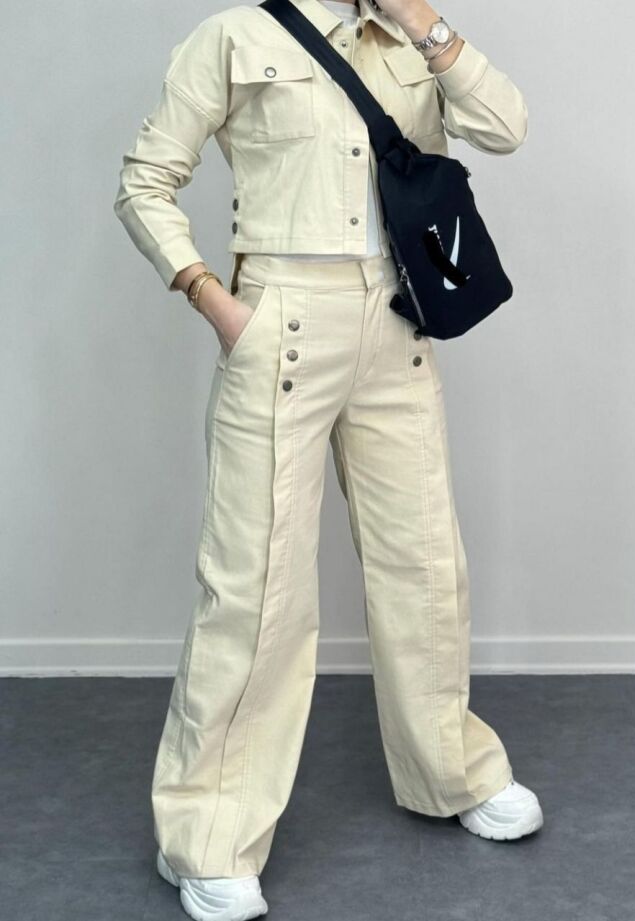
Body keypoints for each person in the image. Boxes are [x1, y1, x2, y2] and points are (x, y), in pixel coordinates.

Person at [113, 1, 539, 918]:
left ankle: (452, 772)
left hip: (398, 323)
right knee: (257, 584)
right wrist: (214, 300)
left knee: (425, 565)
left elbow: (506, 125)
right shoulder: (236, 36)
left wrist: (421, 20)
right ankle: (207, 836)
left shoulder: (409, 37)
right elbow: (145, 181)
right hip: (284, 320)